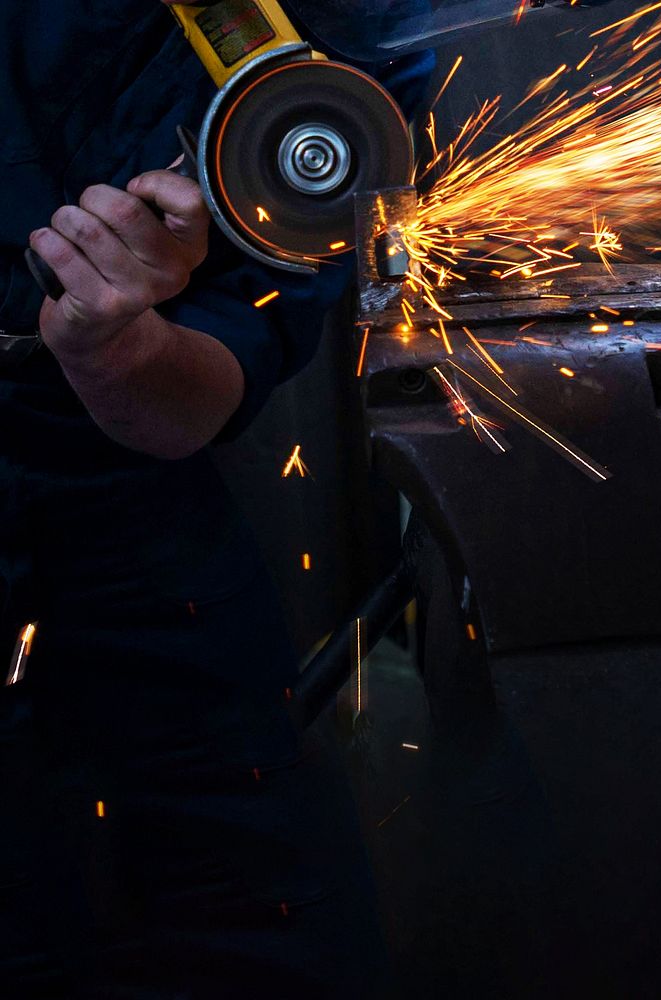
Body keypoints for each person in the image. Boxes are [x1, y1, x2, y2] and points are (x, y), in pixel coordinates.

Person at [0, 1, 432, 995]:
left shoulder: (349, 46)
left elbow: (191, 396)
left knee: (282, 933)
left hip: (124, 510)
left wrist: (116, 346)